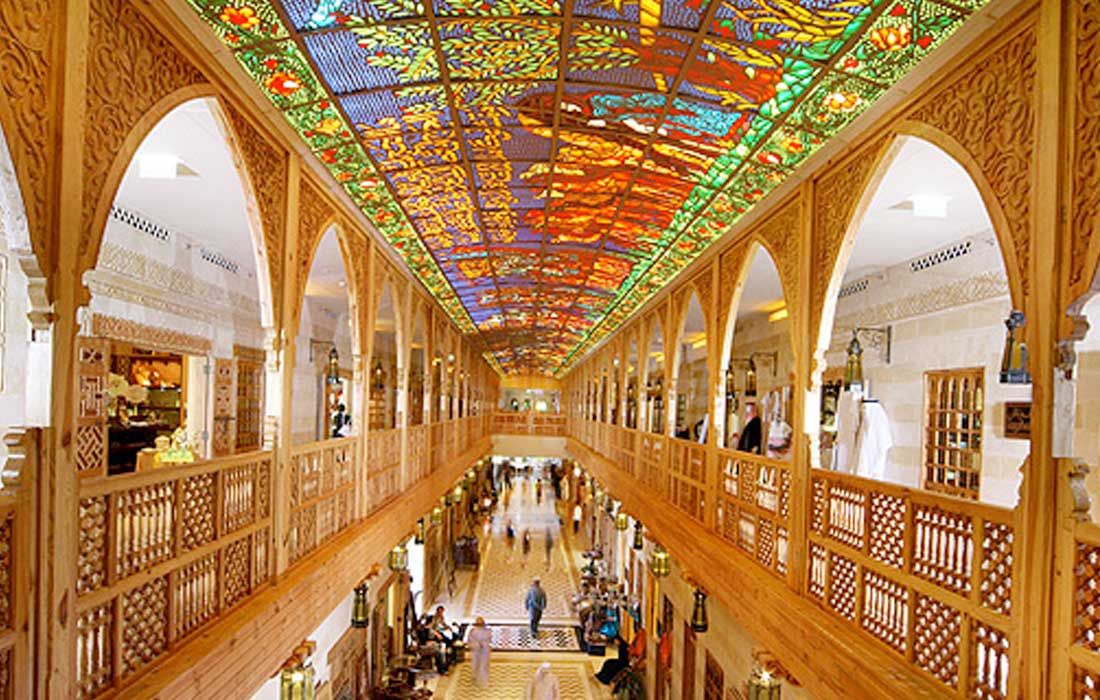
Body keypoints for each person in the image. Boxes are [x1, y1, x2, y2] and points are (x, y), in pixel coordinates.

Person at [467, 616, 492, 688]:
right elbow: (470, 640)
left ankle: (483, 682)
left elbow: (488, 639)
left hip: (484, 651)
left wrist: (483, 644)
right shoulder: (472, 631)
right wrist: (476, 644)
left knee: (483, 665)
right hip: (475, 650)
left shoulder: (487, 631)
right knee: (475, 665)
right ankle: (475, 679)